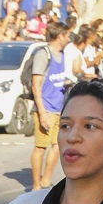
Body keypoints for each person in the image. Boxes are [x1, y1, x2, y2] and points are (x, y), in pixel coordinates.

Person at [31, 23, 72, 191]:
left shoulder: (61, 55)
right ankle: (35, 185)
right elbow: (36, 85)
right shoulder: (43, 54)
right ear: (60, 35)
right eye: (67, 35)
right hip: (46, 108)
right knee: (40, 147)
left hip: (59, 109)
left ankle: (46, 181)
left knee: (57, 146)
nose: (69, 38)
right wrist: (41, 112)